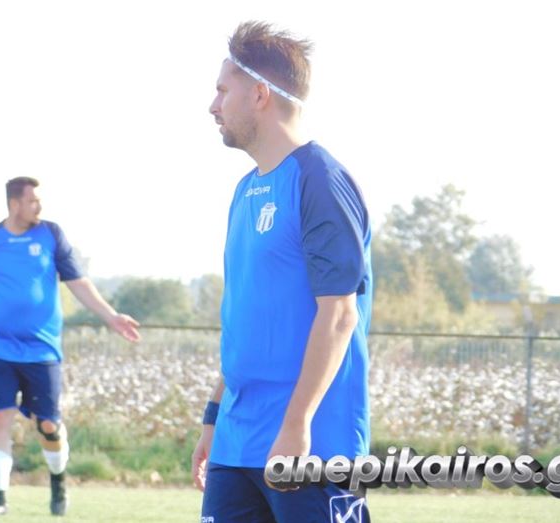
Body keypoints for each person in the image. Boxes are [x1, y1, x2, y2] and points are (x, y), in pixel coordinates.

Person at [192, 21, 374, 523]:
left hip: (311, 445)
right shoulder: (244, 191)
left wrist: (296, 426)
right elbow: (250, 319)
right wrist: (213, 417)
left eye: (222, 91)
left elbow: (339, 316)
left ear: (259, 95)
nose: (212, 106)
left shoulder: (320, 182)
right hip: (236, 444)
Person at [0, 177, 140, 516]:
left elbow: (78, 282)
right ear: (14, 203)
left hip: (42, 350)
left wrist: (111, 316)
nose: (39, 206)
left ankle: (58, 482)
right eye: (33, 200)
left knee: (48, 424)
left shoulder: (51, 234)